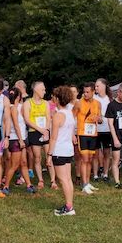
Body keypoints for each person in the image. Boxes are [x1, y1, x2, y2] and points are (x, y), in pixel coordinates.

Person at [47, 86, 77, 216]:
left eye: (54, 96)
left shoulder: (58, 116)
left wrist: (49, 155)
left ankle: (69, 207)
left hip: (59, 151)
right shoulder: (69, 113)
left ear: (58, 99)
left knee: (63, 180)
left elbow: (53, 138)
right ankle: (69, 205)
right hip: (68, 150)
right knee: (68, 179)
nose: (52, 98)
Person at [2, 87, 34, 194]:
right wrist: (21, 140)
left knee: (23, 163)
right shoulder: (13, 109)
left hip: (21, 138)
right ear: (18, 97)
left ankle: (29, 185)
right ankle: (6, 186)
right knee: (14, 165)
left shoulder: (16, 107)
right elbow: (16, 125)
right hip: (16, 139)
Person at [23, 81, 54, 190]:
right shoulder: (27, 103)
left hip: (45, 131)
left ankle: (53, 180)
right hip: (34, 131)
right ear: (36, 90)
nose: (44, 92)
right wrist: (39, 129)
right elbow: (27, 120)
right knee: (37, 157)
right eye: (43, 89)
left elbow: (48, 117)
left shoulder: (46, 103)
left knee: (49, 155)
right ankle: (40, 179)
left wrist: (46, 130)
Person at [75, 82, 101, 195]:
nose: (85, 94)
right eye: (84, 92)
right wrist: (73, 134)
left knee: (90, 158)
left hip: (93, 133)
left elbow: (100, 118)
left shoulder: (98, 103)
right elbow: (72, 117)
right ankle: (84, 183)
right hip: (82, 133)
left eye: (87, 92)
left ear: (93, 92)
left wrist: (99, 119)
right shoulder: (79, 103)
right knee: (84, 159)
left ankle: (88, 182)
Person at [94, 78, 113, 182]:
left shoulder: (109, 99)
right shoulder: (93, 98)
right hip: (95, 130)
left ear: (104, 86)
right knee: (96, 154)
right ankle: (96, 175)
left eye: (97, 86)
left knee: (106, 153)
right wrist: (97, 118)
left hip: (107, 130)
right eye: (95, 86)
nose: (96, 88)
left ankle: (105, 174)